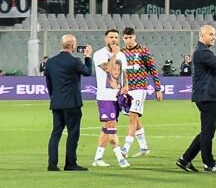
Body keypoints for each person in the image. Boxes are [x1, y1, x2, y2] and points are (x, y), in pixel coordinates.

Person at [177, 25, 216, 173]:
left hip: (207, 96)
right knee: (208, 132)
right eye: (211, 34)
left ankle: (185, 159)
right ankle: (209, 163)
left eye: (215, 34)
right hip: (207, 97)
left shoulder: (203, 52)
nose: (214, 37)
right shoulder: (202, 52)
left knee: (206, 131)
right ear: (202, 36)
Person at [46, 34, 93, 172]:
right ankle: (70, 163)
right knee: (73, 133)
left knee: (56, 133)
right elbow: (88, 72)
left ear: (62, 45)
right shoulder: (75, 61)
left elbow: (48, 83)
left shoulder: (51, 62)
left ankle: (52, 164)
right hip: (72, 103)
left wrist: (54, 98)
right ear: (72, 46)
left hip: (57, 103)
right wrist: (88, 57)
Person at [119, 27, 161, 158]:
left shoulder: (143, 50)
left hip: (139, 88)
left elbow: (153, 70)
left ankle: (125, 148)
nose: (128, 40)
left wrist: (158, 89)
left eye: (130, 37)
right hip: (127, 89)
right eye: (125, 38)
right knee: (134, 118)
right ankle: (144, 147)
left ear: (134, 37)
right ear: (123, 38)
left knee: (132, 116)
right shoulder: (121, 52)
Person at [92, 29, 129, 168]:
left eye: (116, 37)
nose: (114, 39)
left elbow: (124, 72)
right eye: (111, 37)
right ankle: (120, 158)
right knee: (111, 125)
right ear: (105, 39)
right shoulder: (99, 54)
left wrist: (126, 86)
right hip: (104, 96)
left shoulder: (121, 55)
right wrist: (113, 54)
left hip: (117, 96)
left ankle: (98, 158)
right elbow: (108, 68)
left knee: (107, 129)